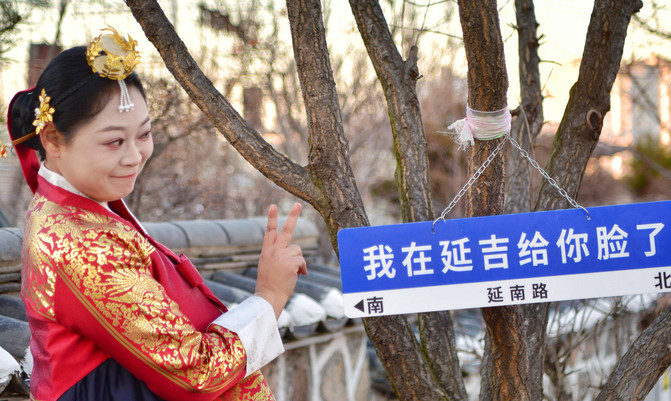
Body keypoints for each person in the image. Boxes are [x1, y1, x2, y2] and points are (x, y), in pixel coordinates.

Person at [5, 27, 307, 401]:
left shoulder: (74, 211)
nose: (135, 156)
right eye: (114, 141)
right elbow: (195, 373)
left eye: (144, 134)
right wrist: (269, 296)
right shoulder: (83, 245)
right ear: (52, 139)